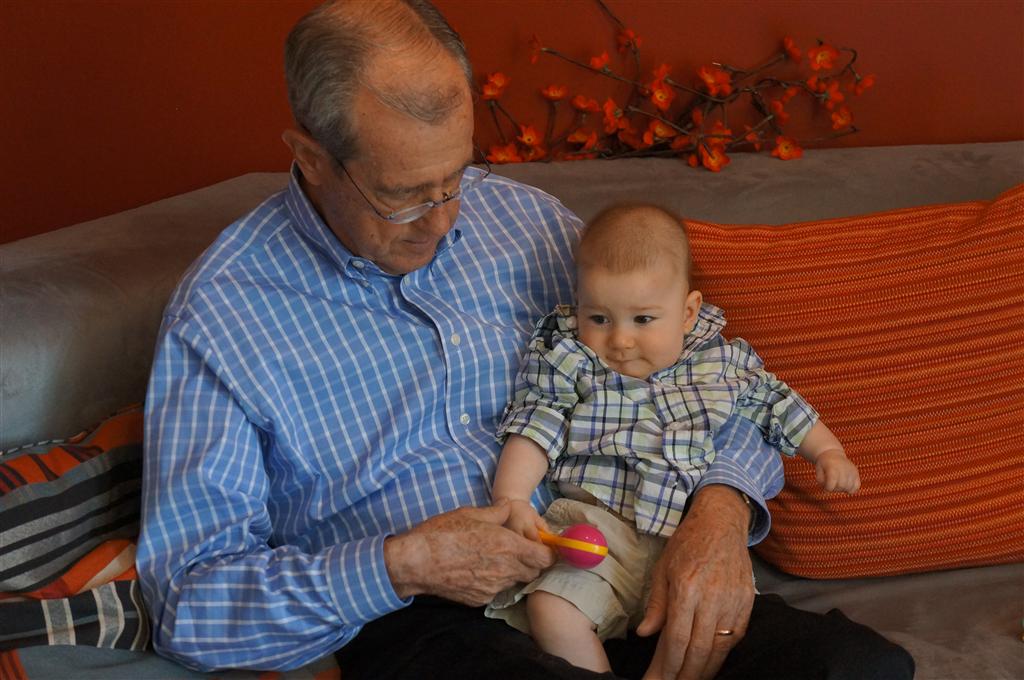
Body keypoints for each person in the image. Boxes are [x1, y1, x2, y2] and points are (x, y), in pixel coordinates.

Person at [136, 1, 913, 678]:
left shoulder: (528, 224)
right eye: (404, 197)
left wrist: (719, 510)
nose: (445, 221)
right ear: (311, 158)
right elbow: (186, 606)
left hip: (617, 551)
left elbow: (702, 373)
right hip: (430, 624)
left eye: (455, 177)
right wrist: (400, 565)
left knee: (858, 667)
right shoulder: (224, 316)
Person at [484, 204, 861, 675]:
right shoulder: (571, 360)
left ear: (687, 312)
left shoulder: (720, 364)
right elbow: (536, 424)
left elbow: (776, 403)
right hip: (598, 527)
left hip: (688, 535)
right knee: (550, 608)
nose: (620, 340)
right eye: (599, 317)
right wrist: (512, 497)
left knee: (706, 621)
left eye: (643, 319)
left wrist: (827, 450)